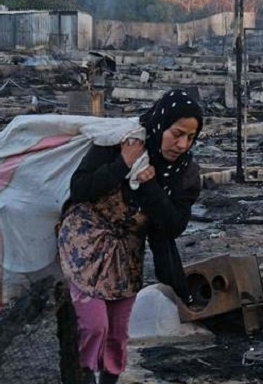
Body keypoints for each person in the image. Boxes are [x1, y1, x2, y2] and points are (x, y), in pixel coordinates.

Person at [56, 89, 203, 384]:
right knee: (94, 325)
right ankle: (81, 377)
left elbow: (174, 225)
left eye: (190, 138)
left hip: (127, 253)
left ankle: (109, 380)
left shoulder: (185, 173)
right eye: (177, 134)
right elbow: (80, 188)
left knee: (118, 329)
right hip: (87, 241)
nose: (182, 144)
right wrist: (123, 164)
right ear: (161, 124)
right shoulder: (122, 141)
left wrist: (150, 187)